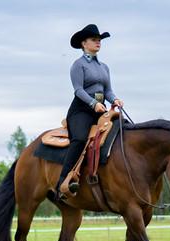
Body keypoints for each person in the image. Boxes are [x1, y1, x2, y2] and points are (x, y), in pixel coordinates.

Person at [49, 24, 124, 202]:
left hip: (101, 109)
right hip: (81, 110)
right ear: (84, 43)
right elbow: (78, 90)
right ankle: (62, 183)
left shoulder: (104, 67)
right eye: (94, 40)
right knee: (80, 139)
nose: (98, 42)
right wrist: (93, 104)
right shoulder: (78, 65)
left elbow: (108, 91)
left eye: (99, 40)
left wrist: (115, 100)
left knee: (121, 129)